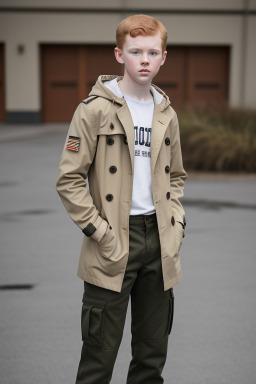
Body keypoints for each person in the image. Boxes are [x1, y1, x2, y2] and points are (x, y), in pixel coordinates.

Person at [56, 14, 187, 384]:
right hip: (111, 239)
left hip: (159, 241)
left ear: (164, 57)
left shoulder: (167, 113)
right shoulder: (94, 110)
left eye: (152, 52)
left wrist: (176, 226)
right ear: (119, 54)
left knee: (151, 359)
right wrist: (101, 233)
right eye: (135, 52)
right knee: (98, 361)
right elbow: (68, 179)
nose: (144, 60)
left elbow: (176, 177)